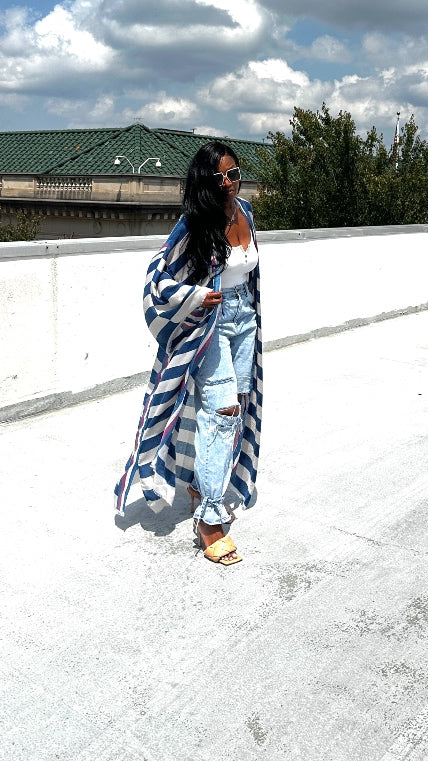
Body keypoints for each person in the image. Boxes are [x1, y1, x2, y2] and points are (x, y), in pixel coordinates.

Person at [114, 141, 262, 567]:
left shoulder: (246, 212)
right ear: (204, 181)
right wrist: (194, 296)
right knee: (222, 410)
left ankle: (201, 483)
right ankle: (209, 520)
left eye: (233, 174)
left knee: (238, 404)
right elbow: (157, 277)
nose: (228, 183)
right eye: (219, 177)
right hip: (211, 324)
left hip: (244, 319)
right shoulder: (194, 224)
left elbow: (249, 273)